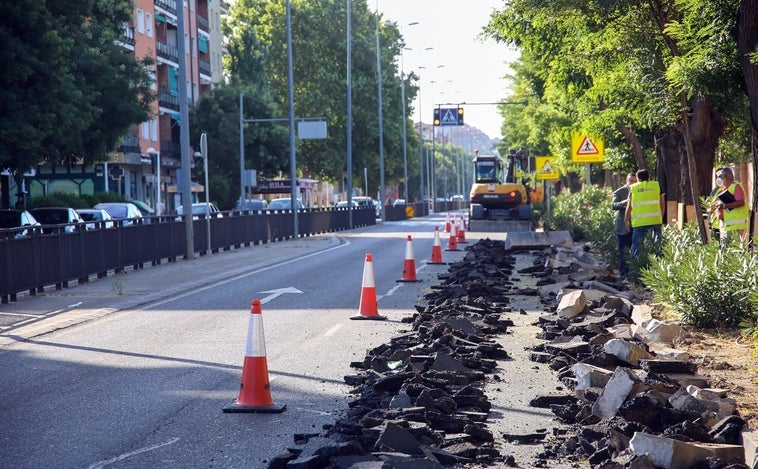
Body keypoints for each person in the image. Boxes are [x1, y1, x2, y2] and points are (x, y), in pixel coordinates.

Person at [625, 169, 665, 258]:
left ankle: (634, 271)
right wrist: (661, 216)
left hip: (639, 224)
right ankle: (656, 269)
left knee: (636, 248)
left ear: (638, 178)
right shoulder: (657, 185)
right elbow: (662, 203)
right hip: (655, 222)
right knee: (657, 247)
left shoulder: (633, 188)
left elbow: (629, 206)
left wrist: (626, 220)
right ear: (649, 177)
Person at [712, 167, 748, 246]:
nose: (719, 179)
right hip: (728, 225)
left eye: (720, 177)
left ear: (725, 176)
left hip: (736, 226)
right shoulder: (724, 188)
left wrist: (724, 206)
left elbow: (741, 202)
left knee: (731, 249)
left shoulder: (735, 186)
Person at [612, 172, 637, 275]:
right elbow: (613, 205)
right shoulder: (620, 192)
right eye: (631, 181)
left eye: (635, 181)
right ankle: (623, 274)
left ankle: (632, 274)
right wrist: (626, 202)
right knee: (623, 252)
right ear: (627, 181)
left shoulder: (640, 190)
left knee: (634, 251)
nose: (633, 183)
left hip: (636, 224)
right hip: (622, 226)